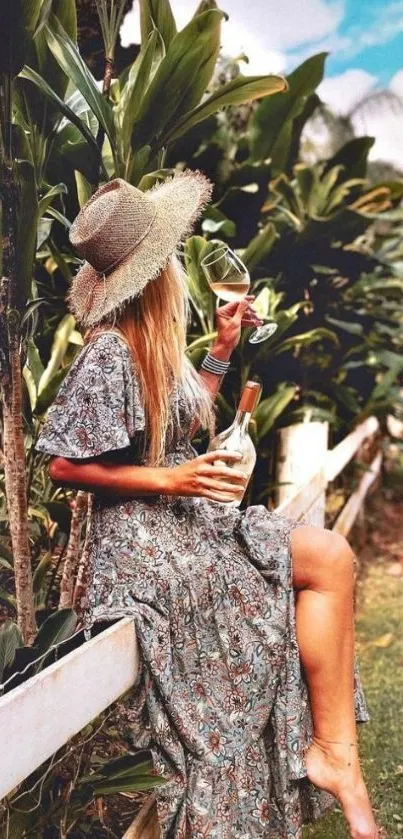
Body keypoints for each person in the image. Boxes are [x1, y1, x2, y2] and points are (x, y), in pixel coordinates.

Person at [36, 172, 379, 839]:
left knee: (330, 556)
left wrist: (221, 348)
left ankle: (335, 756)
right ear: (155, 271)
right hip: (146, 542)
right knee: (314, 563)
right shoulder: (107, 350)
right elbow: (62, 464)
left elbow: (183, 423)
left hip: (185, 522)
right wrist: (172, 482)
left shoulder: (149, 346)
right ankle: (326, 758)